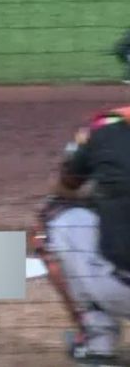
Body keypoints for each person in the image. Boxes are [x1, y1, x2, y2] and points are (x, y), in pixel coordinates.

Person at [31, 106, 130, 365]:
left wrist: (104, 196)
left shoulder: (107, 129)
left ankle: (98, 341)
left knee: (54, 214)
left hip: (119, 291)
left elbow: (64, 187)